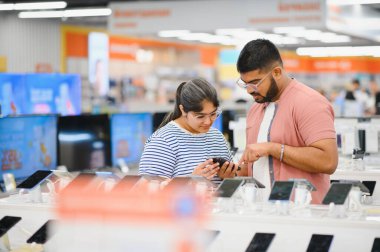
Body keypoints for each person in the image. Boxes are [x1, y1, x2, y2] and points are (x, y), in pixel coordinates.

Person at [236, 39, 338, 204]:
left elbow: (328, 161)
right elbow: (253, 167)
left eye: (255, 83)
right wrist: (230, 172)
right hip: (261, 213)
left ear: (276, 72)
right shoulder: (256, 108)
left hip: (302, 216)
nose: (249, 90)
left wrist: (273, 148)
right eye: (245, 83)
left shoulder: (310, 102)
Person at [139, 78, 238, 183]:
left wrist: (228, 178)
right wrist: (190, 182)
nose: (208, 122)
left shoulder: (217, 136)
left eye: (213, 114)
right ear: (183, 110)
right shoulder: (163, 140)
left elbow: (229, 186)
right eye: (200, 116)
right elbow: (146, 191)